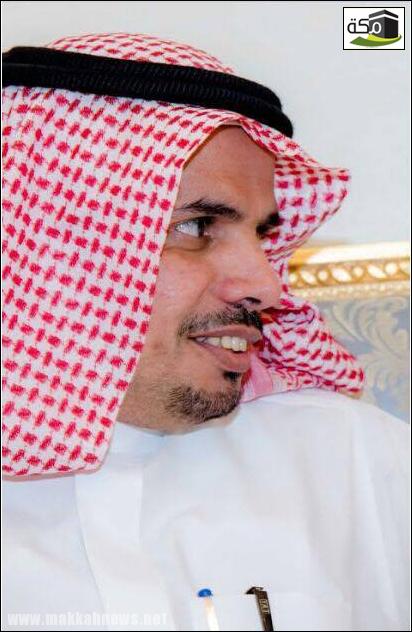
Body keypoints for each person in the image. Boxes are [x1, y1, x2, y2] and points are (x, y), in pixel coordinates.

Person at [2, 33, 409, 631]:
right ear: (48, 243)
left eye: (262, 235)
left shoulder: (356, 462)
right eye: (196, 228)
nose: (266, 286)